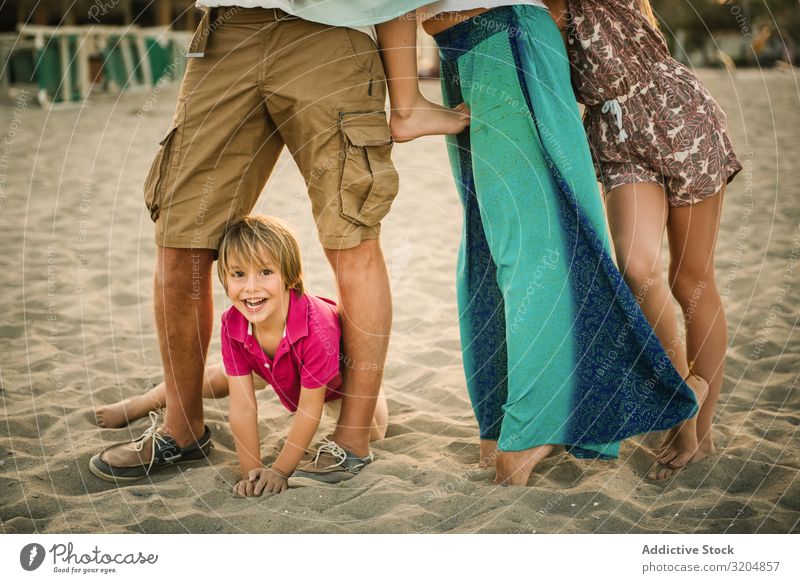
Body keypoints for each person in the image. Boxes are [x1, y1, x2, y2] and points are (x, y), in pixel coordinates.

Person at [89, 3, 409, 484]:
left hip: (333, 27)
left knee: (352, 237)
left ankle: (353, 438)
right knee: (179, 239)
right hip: (227, 28)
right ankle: (181, 430)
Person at [421, 1, 699, 485]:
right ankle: (502, 427)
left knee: (534, 251)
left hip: (508, 39)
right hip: (464, 47)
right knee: (489, 249)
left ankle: (531, 431)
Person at [544, 0, 742, 480]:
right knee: (637, 267)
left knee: (691, 279)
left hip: (678, 117)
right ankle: (681, 401)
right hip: (616, 139)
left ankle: (701, 425)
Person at [93, 215, 389, 493]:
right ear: (224, 279)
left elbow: (309, 409)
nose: (251, 287)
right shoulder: (233, 323)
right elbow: (243, 408)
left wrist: (280, 471)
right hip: (272, 367)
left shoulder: (316, 328)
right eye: (238, 273)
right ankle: (138, 405)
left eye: (265, 272)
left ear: (290, 276)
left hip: (334, 384)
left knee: (374, 432)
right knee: (215, 378)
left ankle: (373, 394)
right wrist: (252, 472)